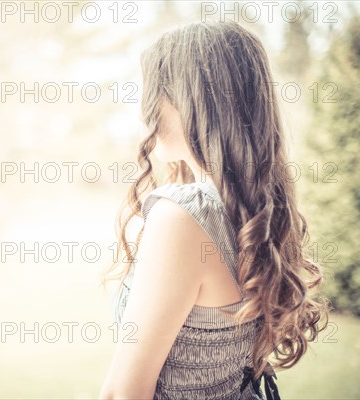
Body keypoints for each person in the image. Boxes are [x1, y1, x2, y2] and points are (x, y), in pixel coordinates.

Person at [100, 21, 329, 400]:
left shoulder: (182, 219)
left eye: (156, 91)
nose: (145, 110)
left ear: (194, 103)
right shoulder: (256, 210)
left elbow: (123, 394)